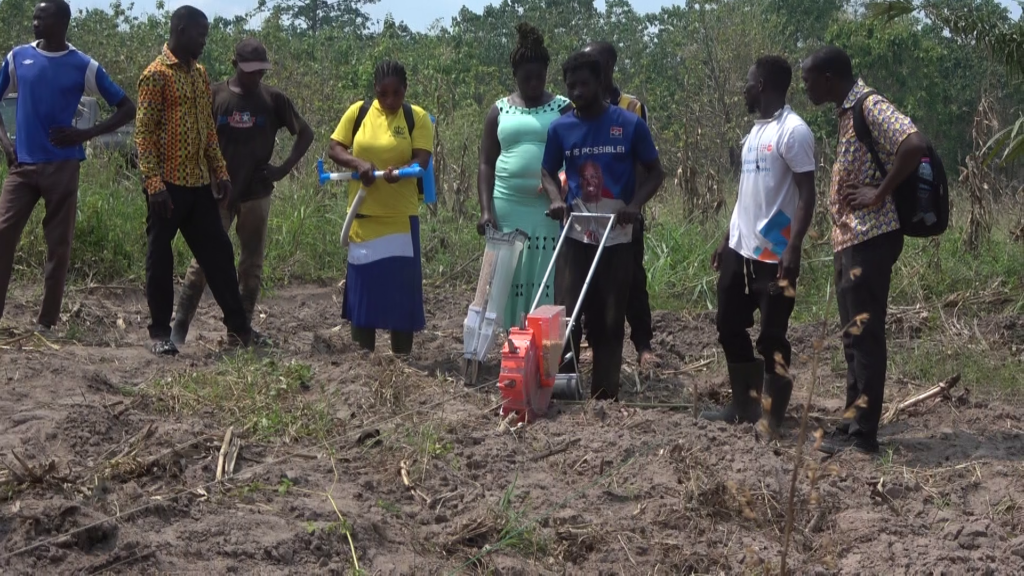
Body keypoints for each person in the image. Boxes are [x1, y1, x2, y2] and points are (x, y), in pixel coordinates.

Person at [801, 46, 927, 454]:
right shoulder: (846, 114)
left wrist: (879, 193)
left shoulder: (869, 105)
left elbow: (914, 144)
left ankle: (863, 436)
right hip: (851, 238)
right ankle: (853, 423)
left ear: (829, 78)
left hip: (871, 236)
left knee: (866, 336)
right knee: (853, 337)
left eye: (808, 80)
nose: (805, 87)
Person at [0, 0, 135, 336]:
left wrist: (87, 133)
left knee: (58, 246)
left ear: (61, 23)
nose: (33, 23)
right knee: (3, 236)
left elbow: (126, 107)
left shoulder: (83, 65)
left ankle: (46, 323)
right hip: (22, 166)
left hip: (63, 167)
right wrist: (5, 142)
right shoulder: (18, 58)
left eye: (40, 18)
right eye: (33, 18)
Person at [170, 38, 314, 346]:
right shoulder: (215, 96)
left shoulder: (273, 100)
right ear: (234, 65)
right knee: (203, 263)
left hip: (256, 194)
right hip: (217, 193)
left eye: (261, 71)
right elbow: (194, 139)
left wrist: (283, 168)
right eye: (250, 71)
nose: (256, 77)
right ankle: (179, 327)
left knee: (251, 265)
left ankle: (239, 329)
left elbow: (306, 133)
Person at [540, 50, 665, 400]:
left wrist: (635, 205)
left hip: (616, 233)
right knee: (565, 312)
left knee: (610, 316)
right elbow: (547, 171)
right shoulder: (561, 127)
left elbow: (656, 171)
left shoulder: (627, 124)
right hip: (577, 229)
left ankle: (605, 391)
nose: (577, 91)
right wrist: (555, 198)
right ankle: (563, 386)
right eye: (571, 86)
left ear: (600, 83)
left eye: (584, 84)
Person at [701, 56, 816, 435]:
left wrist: (794, 246)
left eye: (748, 82)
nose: (744, 89)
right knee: (727, 324)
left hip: (774, 252)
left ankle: (772, 415)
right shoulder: (754, 133)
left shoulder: (793, 131)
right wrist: (726, 239)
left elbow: (806, 194)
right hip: (740, 249)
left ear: (763, 85)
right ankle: (743, 404)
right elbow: (746, 196)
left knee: (771, 336)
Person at [136, 5, 259, 356]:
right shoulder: (155, 75)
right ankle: (160, 334)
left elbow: (207, 130)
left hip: (197, 184)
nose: (203, 41)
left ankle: (239, 328)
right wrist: (154, 185)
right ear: (180, 28)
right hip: (166, 188)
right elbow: (143, 134)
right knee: (160, 258)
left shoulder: (199, 74)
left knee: (219, 254)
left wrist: (220, 172)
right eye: (199, 35)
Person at [327, 60, 434, 355]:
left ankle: (402, 362)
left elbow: (421, 161)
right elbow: (335, 147)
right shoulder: (359, 112)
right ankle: (364, 363)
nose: (389, 101)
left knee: (402, 298)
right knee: (365, 298)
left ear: (405, 91)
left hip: (400, 221)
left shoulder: (417, 117)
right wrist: (357, 163)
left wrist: (398, 171)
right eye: (383, 94)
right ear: (375, 90)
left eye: (396, 94)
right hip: (363, 221)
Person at [476, 23, 571, 331]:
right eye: (526, 77)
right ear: (514, 75)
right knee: (508, 274)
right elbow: (486, 163)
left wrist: (560, 186)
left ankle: (543, 342)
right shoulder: (499, 110)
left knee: (546, 273)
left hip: (547, 207)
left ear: (547, 72)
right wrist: (486, 211)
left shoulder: (563, 108)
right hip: (507, 205)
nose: (533, 83)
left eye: (539, 76)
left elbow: (576, 154)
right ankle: (512, 341)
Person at [583, 40, 656, 368]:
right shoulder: (577, 108)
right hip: (589, 212)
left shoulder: (631, 107)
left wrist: (635, 207)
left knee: (633, 279)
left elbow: (644, 161)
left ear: (610, 66)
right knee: (591, 281)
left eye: (596, 63)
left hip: (624, 211)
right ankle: (593, 343)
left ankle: (643, 345)